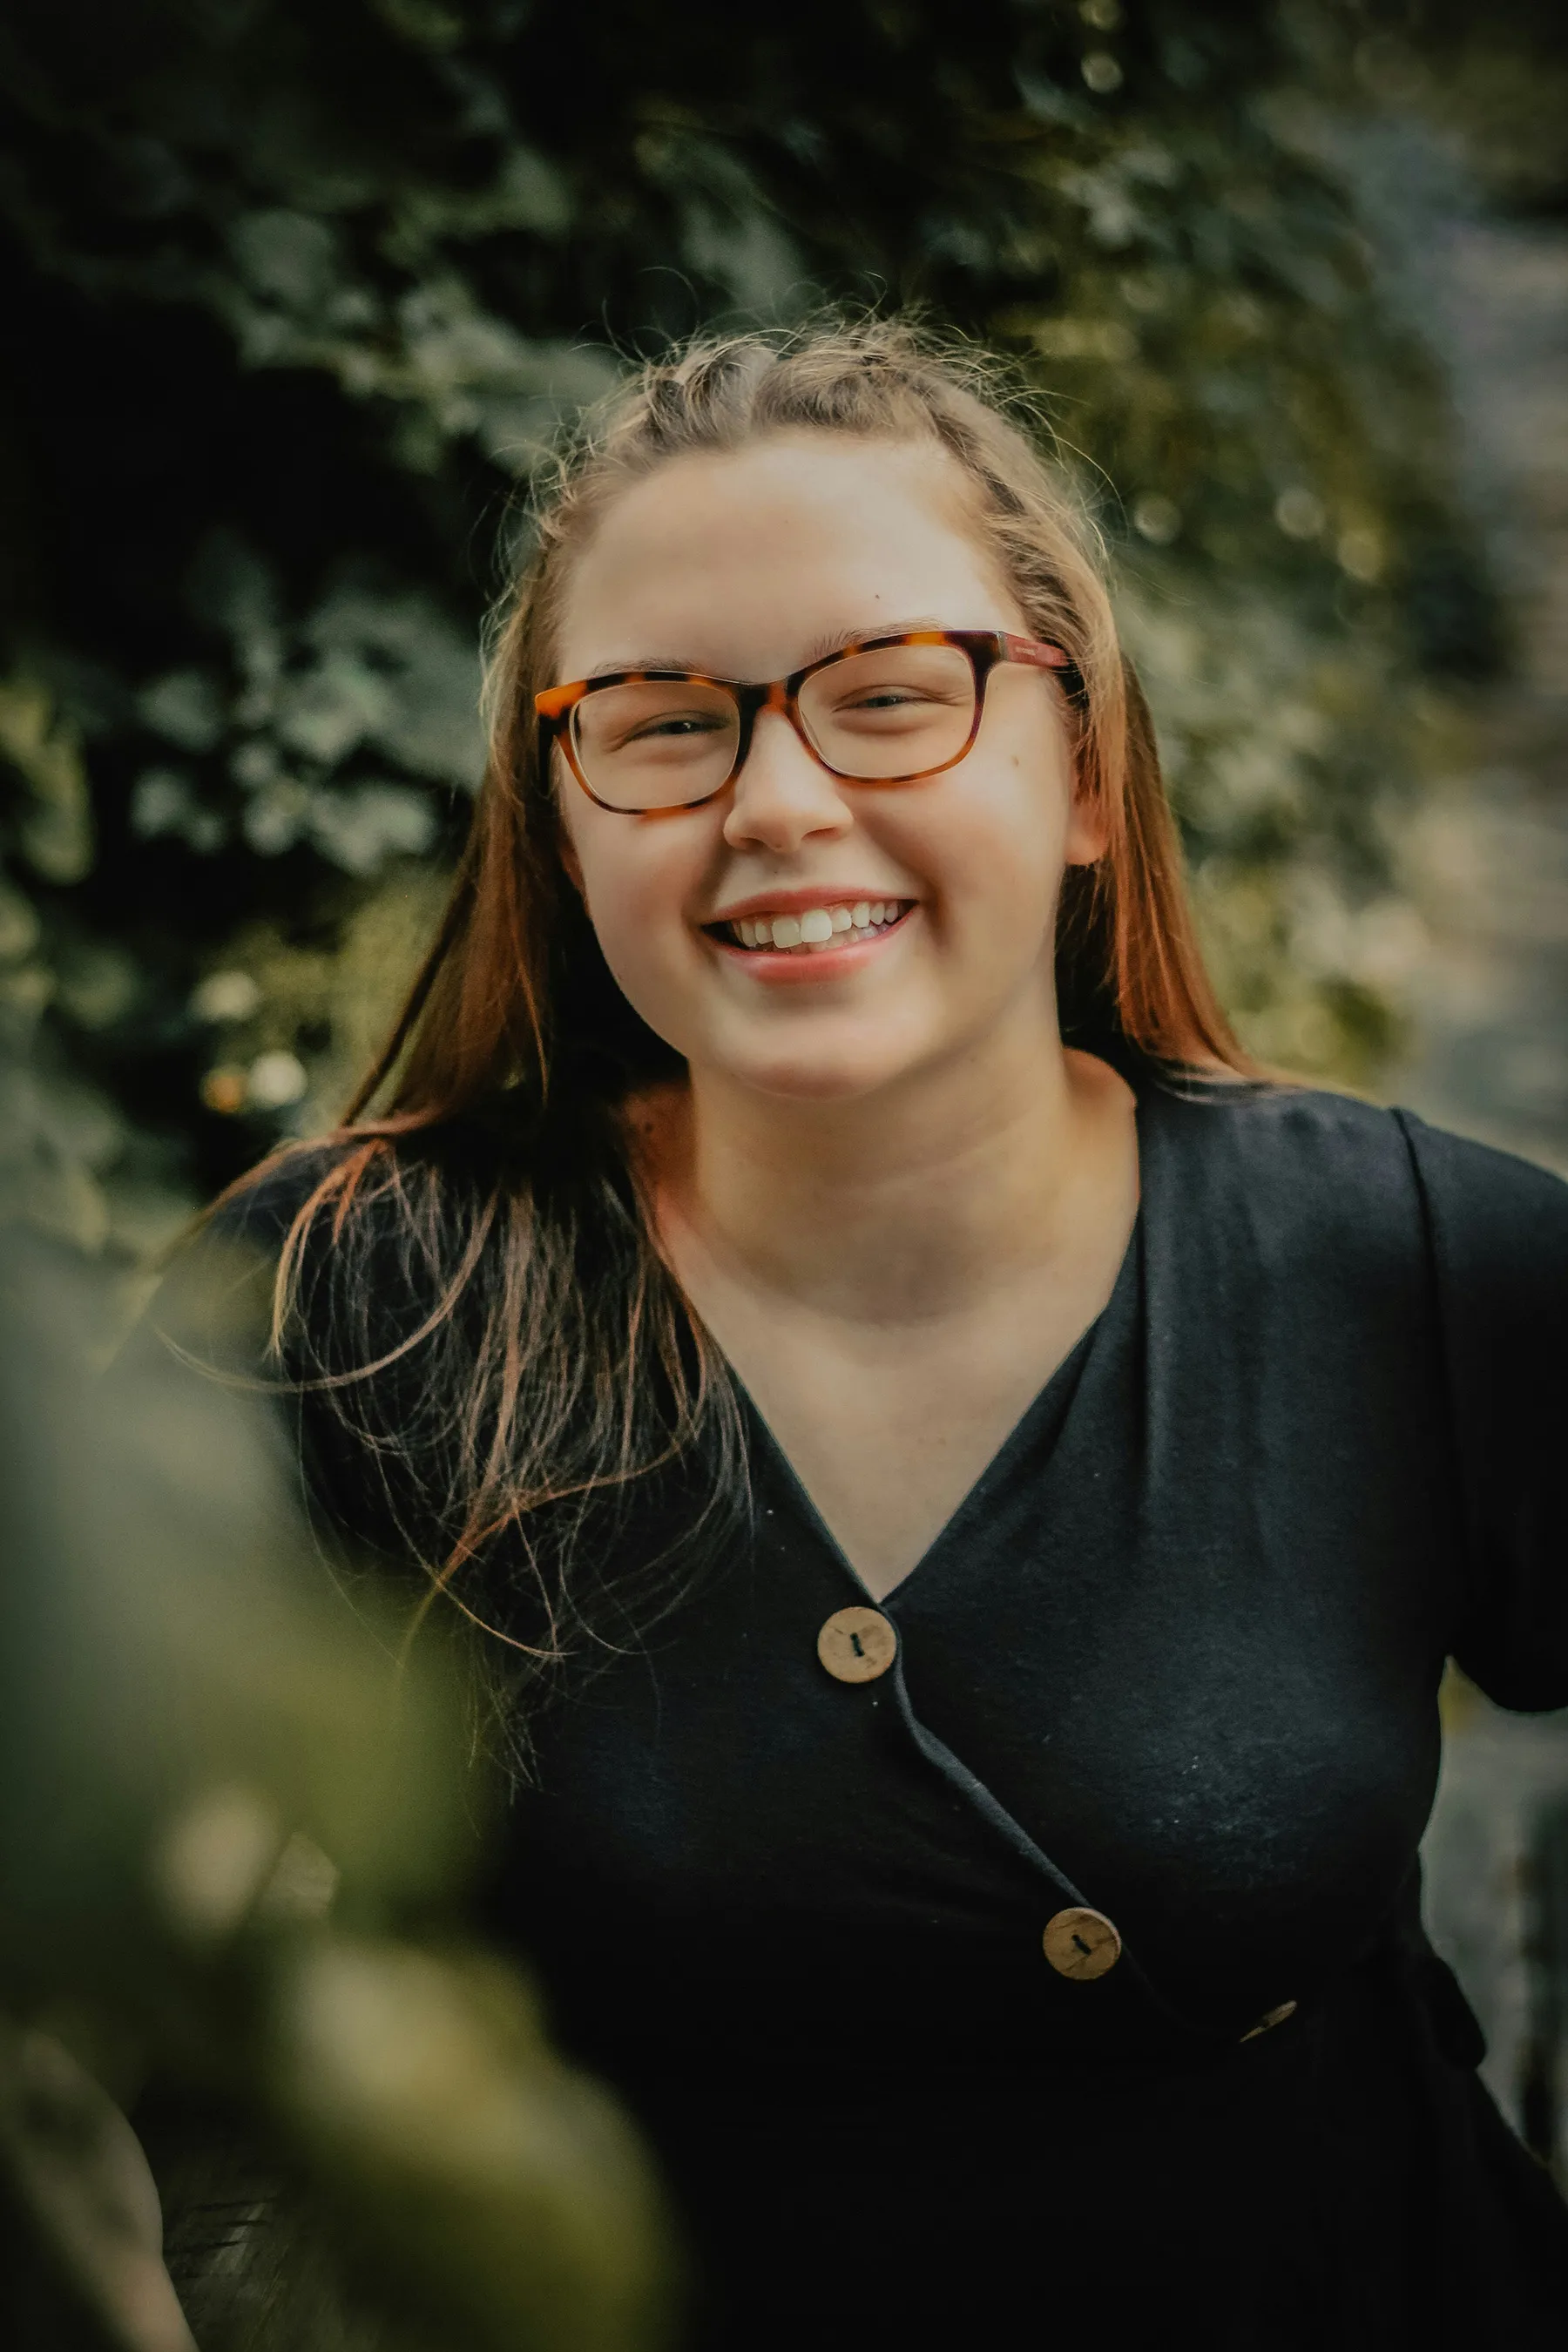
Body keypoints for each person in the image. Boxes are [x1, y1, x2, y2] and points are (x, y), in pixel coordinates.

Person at [156, 320, 1568, 2348]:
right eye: (660, 723)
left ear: (1082, 770)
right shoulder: (356, 1298)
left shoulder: (1419, 1269)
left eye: (894, 700)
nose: (778, 801)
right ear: (563, 817)